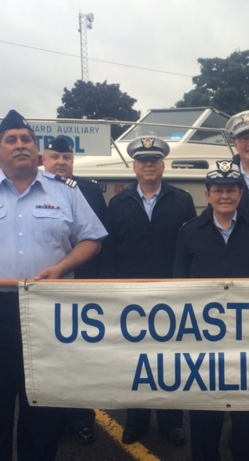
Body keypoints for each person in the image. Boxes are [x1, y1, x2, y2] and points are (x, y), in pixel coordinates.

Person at [0, 109, 107, 461]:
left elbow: (92, 239)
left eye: (26, 139)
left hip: (46, 309)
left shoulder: (67, 192)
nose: (20, 145)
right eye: (11, 140)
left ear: (37, 152)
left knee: (42, 403)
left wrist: (61, 268)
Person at [174, 160, 249, 461]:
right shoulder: (189, 231)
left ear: (241, 194)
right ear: (207, 195)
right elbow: (178, 284)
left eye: (231, 190)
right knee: (205, 418)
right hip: (204, 341)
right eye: (218, 190)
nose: (225, 196)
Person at [101, 135, 196, 447]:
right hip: (132, 296)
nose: (149, 164)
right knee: (136, 360)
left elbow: (190, 248)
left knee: (171, 359)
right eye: (143, 160)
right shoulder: (118, 204)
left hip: (172, 293)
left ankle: (172, 422)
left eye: (154, 159)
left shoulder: (182, 201)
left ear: (162, 165)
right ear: (135, 166)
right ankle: (136, 422)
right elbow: (110, 251)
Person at [42, 135, 108, 445]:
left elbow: (101, 240)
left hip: (83, 287)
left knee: (83, 357)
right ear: (44, 159)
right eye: (54, 156)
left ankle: (83, 418)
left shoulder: (91, 190)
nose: (61, 163)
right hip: (46, 289)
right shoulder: (34, 188)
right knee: (50, 356)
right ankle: (52, 418)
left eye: (66, 157)